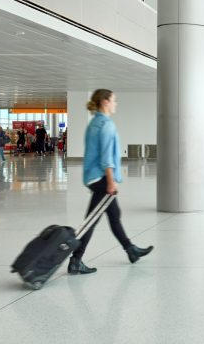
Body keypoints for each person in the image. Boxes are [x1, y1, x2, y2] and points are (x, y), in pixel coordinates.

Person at [68, 89, 153, 275]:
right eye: (114, 100)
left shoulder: (94, 123)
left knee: (114, 215)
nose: (116, 104)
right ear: (105, 102)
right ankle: (75, 260)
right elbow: (106, 156)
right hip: (101, 178)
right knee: (91, 221)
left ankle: (131, 250)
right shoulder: (106, 124)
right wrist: (111, 180)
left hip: (93, 176)